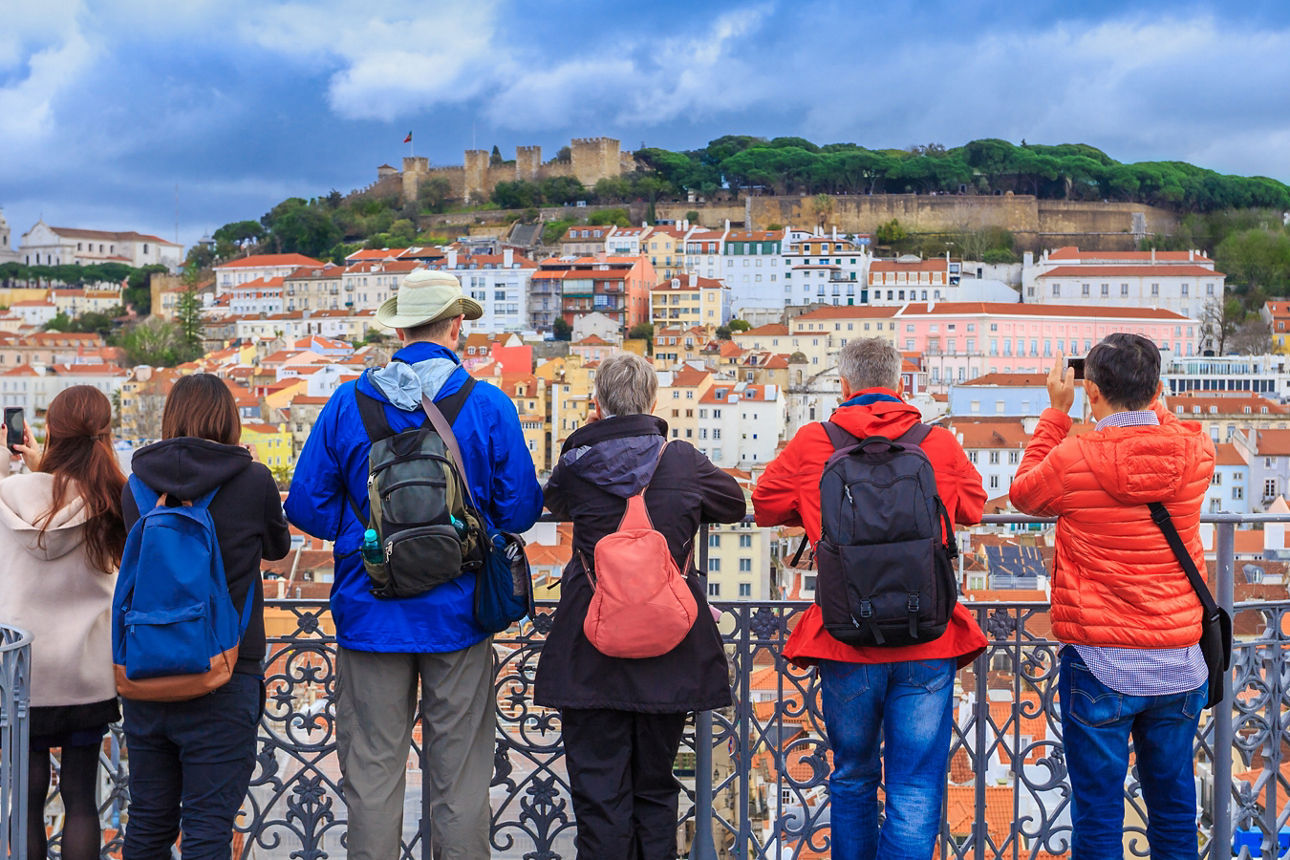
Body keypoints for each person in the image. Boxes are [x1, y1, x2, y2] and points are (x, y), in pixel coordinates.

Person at [285, 269, 542, 860]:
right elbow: (523, 508)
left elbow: (305, 505)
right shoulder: (487, 405)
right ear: (457, 326)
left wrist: (363, 534)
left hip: (370, 613)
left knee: (372, 780)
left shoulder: (348, 405)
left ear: (399, 329)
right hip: (460, 614)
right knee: (461, 781)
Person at [752, 337, 987, 860]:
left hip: (847, 639)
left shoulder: (816, 441)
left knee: (854, 776)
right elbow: (972, 507)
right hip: (926, 639)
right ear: (901, 384)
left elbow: (765, 504)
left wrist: (817, 515)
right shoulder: (937, 443)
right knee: (915, 785)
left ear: (844, 385)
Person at [533, 352, 746, 859]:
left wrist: (587, 438)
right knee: (655, 789)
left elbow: (553, 503)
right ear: (653, 401)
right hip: (667, 647)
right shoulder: (682, 459)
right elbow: (734, 503)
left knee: (599, 795)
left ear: (598, 404)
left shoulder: (577, 463)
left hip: (590, 648)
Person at [1010, 334, 1214, 860]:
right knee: (1174, 811)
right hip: (1177, 659)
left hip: (1101, 662)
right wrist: (1150, 405)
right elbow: (1168, 430)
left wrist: (1056, 415)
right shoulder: (1196, 451)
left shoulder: (1075, 456)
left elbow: (1024, 493)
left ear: (1091, 393)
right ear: (1158, 392)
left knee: (1097, 816)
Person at [119, 373, 291, 860]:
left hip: (148, 668)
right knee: (207, 828)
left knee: (149, 821)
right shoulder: (253, 479)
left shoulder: (136, 484)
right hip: (226, 669)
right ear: (229, 418)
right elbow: (278, 547)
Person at [0, 387, 126, 860]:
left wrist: (24, 468)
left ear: (50, 432)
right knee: (80, 800)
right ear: (103, 435)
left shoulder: (8, 493)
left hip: (21, 673)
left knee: (27, 802)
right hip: (86, 674)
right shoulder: (111, 498)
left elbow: (35, 511)